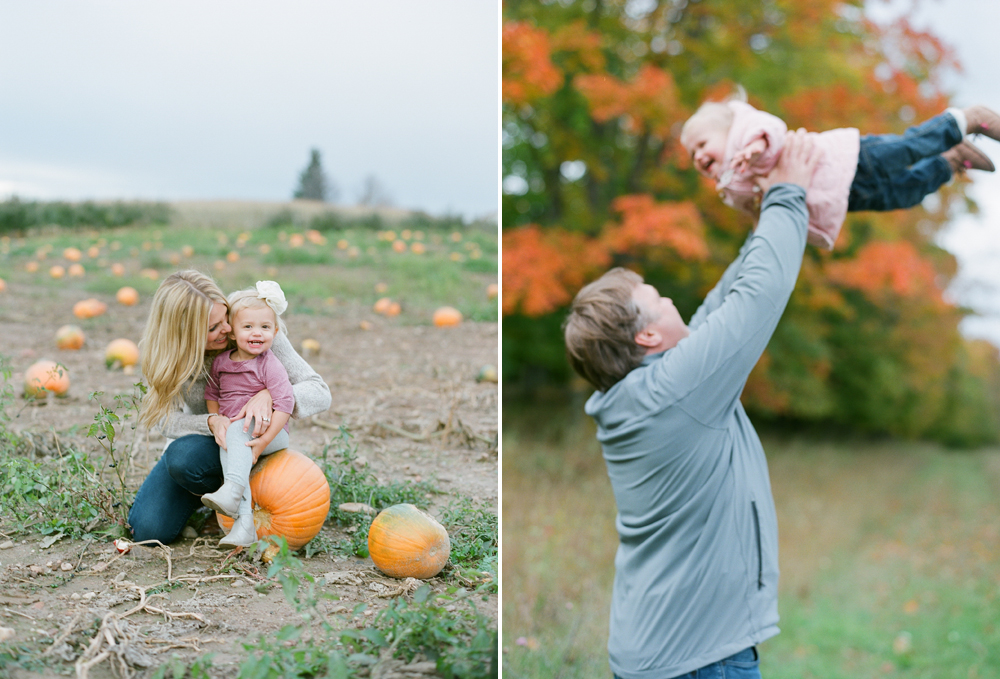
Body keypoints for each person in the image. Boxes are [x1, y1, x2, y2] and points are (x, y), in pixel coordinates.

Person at [562, 131, 821, 679]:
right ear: (648, 338)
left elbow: (727, 299)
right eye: (655, 298)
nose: (670, 297)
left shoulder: (652, 390)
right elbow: (758, 297)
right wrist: (788, 193)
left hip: (663, 654)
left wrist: (763, 218)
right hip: (699, 662)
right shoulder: (674, 392)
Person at [129, 270, 331, 545]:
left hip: (251, 439)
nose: (227, 329)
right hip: (205, 447)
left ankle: (237, 501)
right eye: (213, 328)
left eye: (224, 317)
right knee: (148, 531)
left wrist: (268, 395)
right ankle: (212, 500)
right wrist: (210, 422)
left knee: (184, 457)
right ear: (185, 336)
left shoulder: (252, 324)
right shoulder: (167, 356)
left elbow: (318, 391)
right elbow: (165, 420)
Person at [680, 90, 1000, 249]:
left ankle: (968, 119)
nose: (698, 156)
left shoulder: (748, 137)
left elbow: (770, 131)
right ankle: (951, 161)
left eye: (702, 144)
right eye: (693, 153)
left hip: (847, 159)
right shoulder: (731, 187)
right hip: (845, 196)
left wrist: (752, 148)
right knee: (901, 196)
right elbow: (759, 216)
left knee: (909, 147)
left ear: (729, 132)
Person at [200, 281, 295, 547]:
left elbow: (286, 403)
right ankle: (244, 527)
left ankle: (231, 492)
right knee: (233, 465)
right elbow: (212, 395)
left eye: (265, 327)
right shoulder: (221, 362)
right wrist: (217, 421)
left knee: (234, 474)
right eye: (248, 327)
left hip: (272, 433)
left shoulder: (269, 364)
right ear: (232, 332)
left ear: (275, 332)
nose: (257, 333)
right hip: (234, 433)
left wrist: (264, 441)